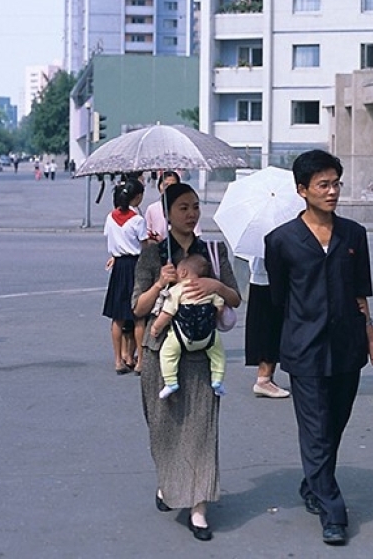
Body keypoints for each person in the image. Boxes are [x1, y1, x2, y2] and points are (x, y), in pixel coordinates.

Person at [264, 149, 373, 546]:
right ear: (302, 190)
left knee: (334, 424)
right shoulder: (281, 240)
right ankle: (333, 511)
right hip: (303, 349)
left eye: (336, 183)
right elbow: (278, 299)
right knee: (316, 429)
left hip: (348, 346)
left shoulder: (354, 235)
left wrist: (371, 336)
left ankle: (313, 484)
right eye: (323, 184)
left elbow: (359, 293)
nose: (333, 191)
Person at [131, 182, 241, 542]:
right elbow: (138, 308)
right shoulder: (151, 255)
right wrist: (158, 284)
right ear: (167, 213)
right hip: (158, 353)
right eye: (183, 207)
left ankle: (198, 506)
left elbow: (236, 298)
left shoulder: (212, 248)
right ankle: (169, 485)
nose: (191, 213)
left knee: (201, 431)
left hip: (202, 354)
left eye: (195, 206)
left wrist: (214, 284)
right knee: (163, 430)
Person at [149, 253, 227, 399]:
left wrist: (155, 328)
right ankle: (217, 380)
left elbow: (167, 313)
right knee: (219, 355)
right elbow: (220, 308)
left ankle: (170, 382)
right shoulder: (209, 289)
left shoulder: (177, 290)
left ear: (183, 272)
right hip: (208, 336)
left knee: (167, 354)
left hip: (181, 336)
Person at [102, 179, 148, 375]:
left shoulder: (110, 217)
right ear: (136, 197)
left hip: (119, 265)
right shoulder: (137, 220)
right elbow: (144, 246)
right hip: (135, 265)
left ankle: (118, 360)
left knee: (118, 316)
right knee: (138, 316)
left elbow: (111, 239)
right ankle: (140, 362)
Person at [244, 255, 290, 398]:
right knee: (270, 326)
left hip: (270, 275)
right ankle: (263, 378)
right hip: (269, 277)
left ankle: (266, 377)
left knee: (272, 325)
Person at [144, 171, 202, 241]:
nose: (169, 188)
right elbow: (146, 232)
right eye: (165, 185)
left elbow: (196, 234)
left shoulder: (188, 209)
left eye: (173, 185)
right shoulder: (152, 209)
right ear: (159, 186)